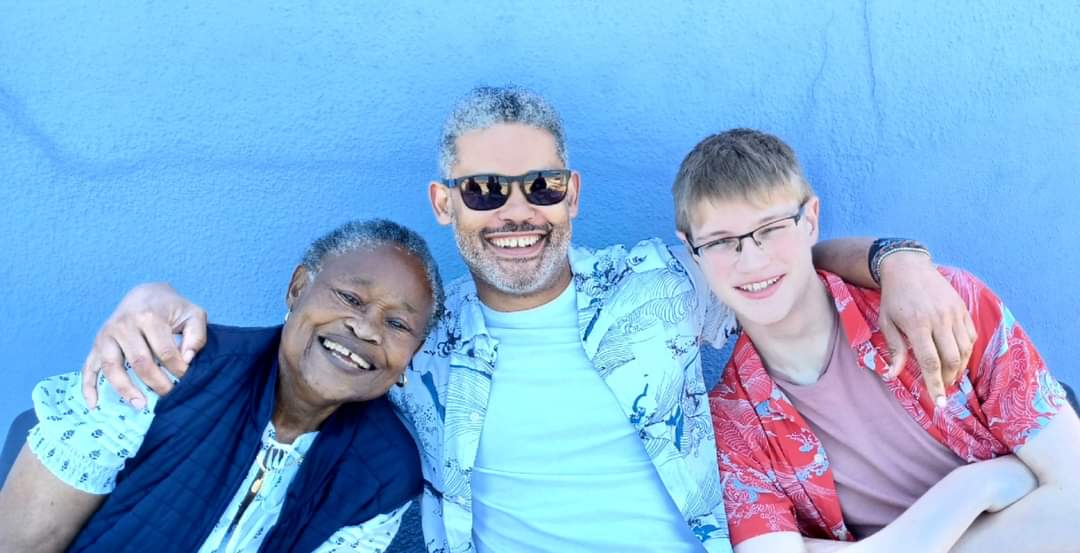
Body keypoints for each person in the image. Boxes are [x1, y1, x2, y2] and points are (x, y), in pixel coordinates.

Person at [77, 87, 977, 552]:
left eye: (542, 185)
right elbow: (308, 341)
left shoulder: (665, 280)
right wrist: (150, 302)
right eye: (485, 190)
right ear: (446, 202)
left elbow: (772, 255)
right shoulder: (414, 342)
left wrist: (898, 259)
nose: (518, 212)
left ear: (572, 193)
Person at [671, 129, 1080, 552]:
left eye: (771, 229)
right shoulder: (733, 426)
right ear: (691, 250)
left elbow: (1076, 502)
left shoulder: (943, 307)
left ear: (810, 219)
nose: (752, 261)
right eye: (721, 242)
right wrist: (978, 486)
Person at [0, 219, 445, 553]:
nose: (366, 328)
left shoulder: (385, 472)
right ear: (297, 289)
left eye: (397, 323)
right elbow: (26, 539)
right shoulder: (169, 369)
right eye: (350, 298)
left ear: (413, 355)